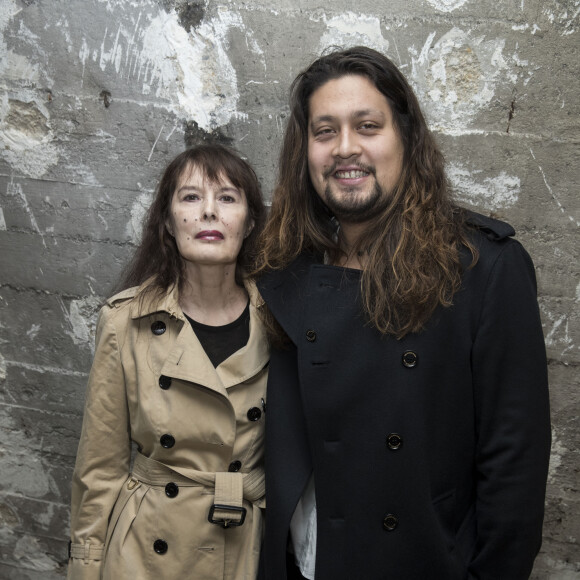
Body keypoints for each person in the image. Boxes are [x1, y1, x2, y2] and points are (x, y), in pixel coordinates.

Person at [253, 46, 551, 580]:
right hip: (304, 564)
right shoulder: (283, 265)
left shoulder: (484, 268)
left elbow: (514, 470)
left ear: (407, 139)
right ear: (306, 151)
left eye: (367, 125)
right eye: (325, 132)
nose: (346, 148)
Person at [67, 144, 268, 580]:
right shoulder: (125, 322)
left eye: (228, 197)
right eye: (191, 197)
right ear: (167, 220)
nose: (209, 212)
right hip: (144, 552)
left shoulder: (281, 323)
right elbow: (98, 470)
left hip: (240, 549)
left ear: (249, 222)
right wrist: (85, 568)